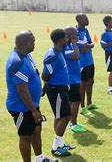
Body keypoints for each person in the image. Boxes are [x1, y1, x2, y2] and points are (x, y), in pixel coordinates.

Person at [6, 31, 54, 162]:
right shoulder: (17, 62)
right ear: (23, 43)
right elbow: (22, 90)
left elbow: (33, 75)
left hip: (31, 104)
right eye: (32, 41)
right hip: (21, 107)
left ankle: (40, 158)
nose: (34, 44)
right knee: (26, 136)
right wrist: (33, 110)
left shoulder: (26, 56)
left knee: (37, 130)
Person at [42, 29, 75, 157]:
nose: (68, 40)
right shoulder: (53, 56)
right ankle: (56, 147)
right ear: (61, 40)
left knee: (60, 116)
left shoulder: (59, 51)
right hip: (56, 90)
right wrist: (46, 85)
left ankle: (60, 144)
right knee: (65, 116)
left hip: (61, 88)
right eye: (66, 38)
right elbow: (45, 75)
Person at [63, 27, 86, 133]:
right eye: (75, 35)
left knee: (73, 101)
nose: (77, 37)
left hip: (75, 78)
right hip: (71, 80)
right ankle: (73, 124)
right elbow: (76, 56)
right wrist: (75, 44)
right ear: (70, 36)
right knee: (75, 102)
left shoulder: (70, 45)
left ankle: (72, 122)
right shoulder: (66, 47)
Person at [76, 14, 98, 116]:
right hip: (82, 62)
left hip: (90, 60)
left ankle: (89, 103)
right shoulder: (76, 32)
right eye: (84, 18)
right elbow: (83, 48)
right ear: (79, 20)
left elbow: (91, 44)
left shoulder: (86, 31)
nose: (87, 19)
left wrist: (88, 45)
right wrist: (88, 46)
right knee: (83, 84)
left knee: (91, 81)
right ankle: (82, 107)